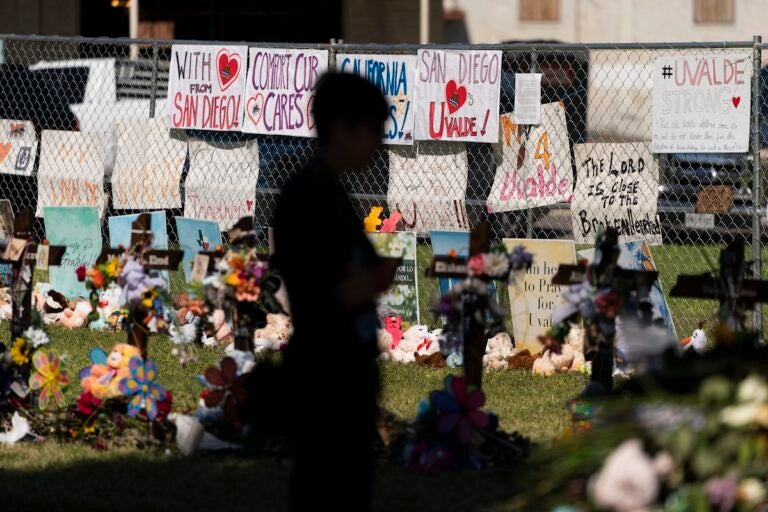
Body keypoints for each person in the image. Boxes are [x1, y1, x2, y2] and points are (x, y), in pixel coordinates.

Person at [273, 72, 397, 512]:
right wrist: (371, 280)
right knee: (327, 485)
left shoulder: (331, 191)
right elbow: (323, 288)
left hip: (346, 363)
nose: (378, 145)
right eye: (374, 132)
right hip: (328, 367)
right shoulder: (309, 196)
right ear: (343, 127)